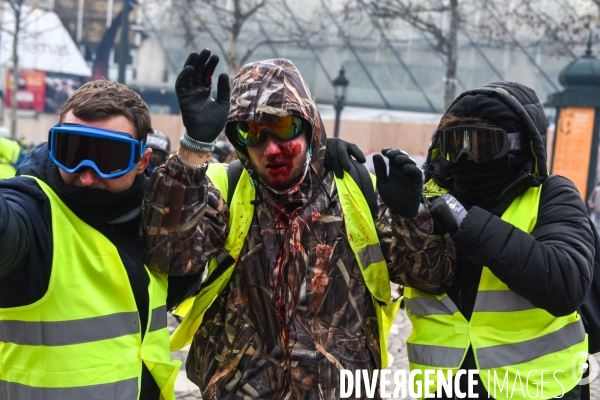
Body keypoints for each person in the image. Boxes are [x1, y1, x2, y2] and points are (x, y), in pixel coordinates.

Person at [142, 49, 456, 399]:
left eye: (283, 128)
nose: (272, 149)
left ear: (309, 128)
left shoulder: (357, 194)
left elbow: (432, 276)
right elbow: (169, 257)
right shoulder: (225, 190)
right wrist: (193, 150)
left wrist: (411, 216)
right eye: (253, 132)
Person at [0, 80, 188, 399]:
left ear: (142, 162)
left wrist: (194, 150)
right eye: (72, 152)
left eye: (109, 158)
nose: (86, 175)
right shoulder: (32, 213)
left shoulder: (153, 218)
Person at [409, 81, 595, 399]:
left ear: (518, 145)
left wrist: (470, 223)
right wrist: (331, 161)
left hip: (537, 389)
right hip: (443, 387)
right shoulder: (427, 201)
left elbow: (567, 284)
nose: (466, 156)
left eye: (482, 144)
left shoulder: (551, 195)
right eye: (456, 144)